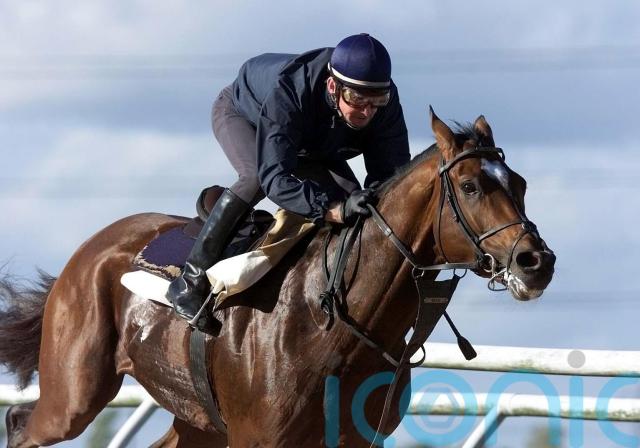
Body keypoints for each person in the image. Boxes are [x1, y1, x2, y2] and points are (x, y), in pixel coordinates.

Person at [167, 33, 411, 323]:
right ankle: (189, 281)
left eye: (376, 100)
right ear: (333, 86)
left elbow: (392, 178)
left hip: (311, 142)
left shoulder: (384, 104)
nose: (367, 112)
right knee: (255, 177)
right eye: (356, 99)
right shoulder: (291, 88)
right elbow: (275, 177)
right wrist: (330, 209)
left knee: (356, 202)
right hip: (245, 116)